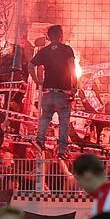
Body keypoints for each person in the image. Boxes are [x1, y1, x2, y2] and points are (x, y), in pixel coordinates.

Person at [31, 25, 77, 160]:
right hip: (63, 93)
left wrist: (37, 80)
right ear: (61, 35)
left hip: (48, 93)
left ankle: (40, 140)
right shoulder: (67, 49)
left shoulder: (44, 51)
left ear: (49, 37)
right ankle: (62, 150)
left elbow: (30, 65)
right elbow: (72, 67)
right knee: (63, 120)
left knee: (45, 117)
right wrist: (75, 85)